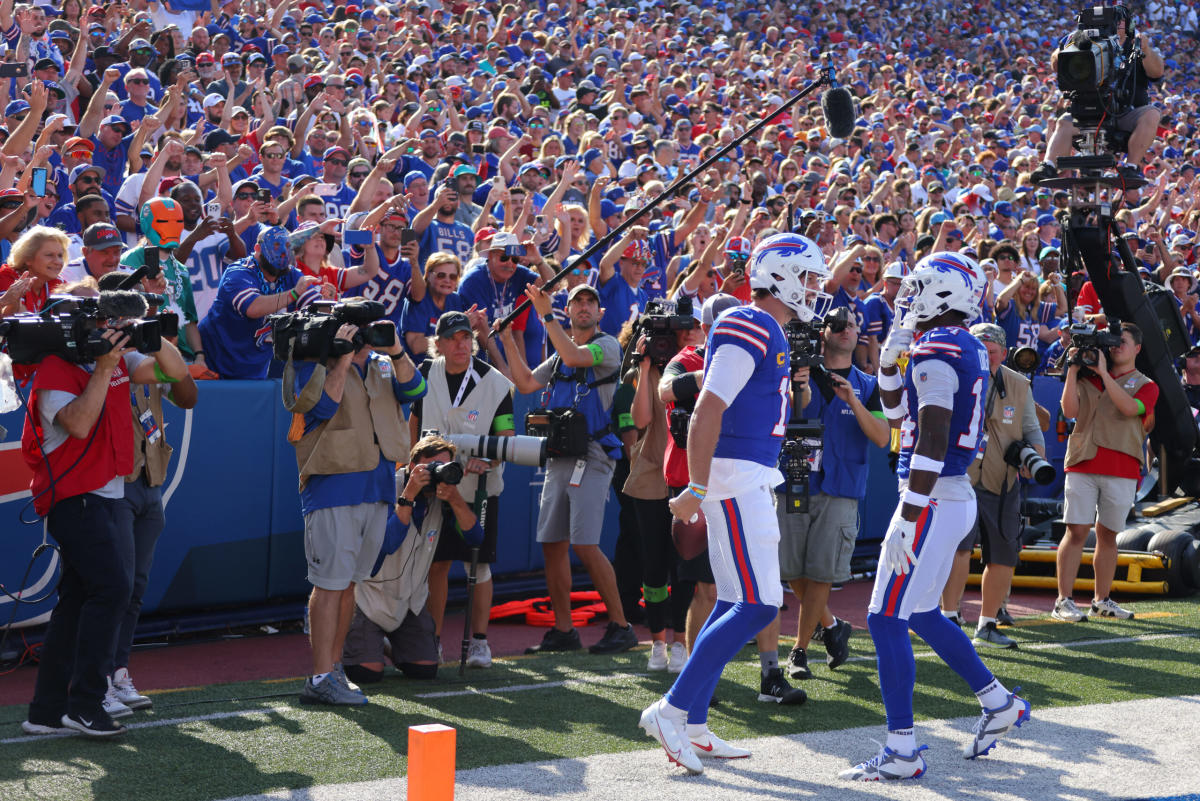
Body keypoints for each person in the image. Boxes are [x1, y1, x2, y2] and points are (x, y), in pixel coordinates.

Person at [638, 233, 828, 775]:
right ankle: (671, 710)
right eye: (809, 276)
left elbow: (715, 395)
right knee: (760, 604)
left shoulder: (768, 329)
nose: (814, 287)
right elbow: (707, 408)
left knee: (733, 599)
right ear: (783, 276)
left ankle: (693, 723)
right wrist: (696, 486)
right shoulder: (753, 321)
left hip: (744, 473)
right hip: (736, 475)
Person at [841, 252, 1030, 781]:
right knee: (921, 614)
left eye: (917, 288)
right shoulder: (957, 343)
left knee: (884, 618)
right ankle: (998, 703)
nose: (906, 298)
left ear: (938, 294)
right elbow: (898, 414)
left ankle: (902, 749)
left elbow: (932, 436)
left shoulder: (940, 348)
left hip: (933, 496)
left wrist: (907, 511)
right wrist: (888, 361)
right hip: (948, 495)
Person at [20, 289, 189, 738]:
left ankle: (46, 710)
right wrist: (105, 366)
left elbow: (175, 372)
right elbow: (78, 423)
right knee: (112, 589)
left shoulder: (115, 360)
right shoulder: (56, 369)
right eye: (108, 326)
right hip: (76, 497)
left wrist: (148, 331)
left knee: (76, 601)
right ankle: (86, 703)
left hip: (107, 495)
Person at [286, 298, 426, 705]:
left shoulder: (384, 363)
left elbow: (418, 389)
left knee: (350, 584)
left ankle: (334, 669)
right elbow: (319, 407)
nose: (367, 337)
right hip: (333, 485)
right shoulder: (311, 360)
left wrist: (396, 349)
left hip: (377, 485)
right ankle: (319, 677)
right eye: (360, 329)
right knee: (329, 584)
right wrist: (341, 359)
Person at [497, 282, 638, 656]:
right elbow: (525, 382)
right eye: (578, 302)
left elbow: (577, 357)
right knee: (551, 544)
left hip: (591, 454)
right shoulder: (560, 354)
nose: (585, 307)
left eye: (591, 302)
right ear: (570, 309)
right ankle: (563, 630)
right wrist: (506, 339)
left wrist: (545, 315)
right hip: (560, 454)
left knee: (585, 543)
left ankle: (621, 626)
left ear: (600, 312)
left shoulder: (605, 346)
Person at [97, 274, 200, 718]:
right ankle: (96, 676)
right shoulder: (101, 355)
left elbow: (189, 394)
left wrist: (157, 338)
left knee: (135, 587)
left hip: (149, 480)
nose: (137, 324)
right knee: (111, 586)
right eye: (131, 318)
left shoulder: (152, 350)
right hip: (112, 481)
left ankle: (119, 671)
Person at [782, 307, 890, 681]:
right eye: (838, 324)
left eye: (853, 325)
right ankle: (830, 624)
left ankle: (798, 650)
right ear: (823, 331)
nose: (846, 330)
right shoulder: (798, 371)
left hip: (842, 484)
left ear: (860, 333)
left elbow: (881, 437)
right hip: (794, 479)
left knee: (822, 571)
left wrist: (853, 402)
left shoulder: (867, 383)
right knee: (789, 568)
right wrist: (800, 386)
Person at [407, 311, 515, 669]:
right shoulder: (424, 374)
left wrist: (489, 461)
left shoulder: (496, 383)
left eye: (466, 337)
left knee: (479, 565)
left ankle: (480, 642)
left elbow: (507, 440)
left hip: (479, 488)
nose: (461, 344)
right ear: (438, 344)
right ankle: (433, 642)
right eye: (452, 338)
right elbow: (413, 422)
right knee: (436, 565)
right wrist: (412, 465)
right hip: (432, 489)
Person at [341, 435, 484, 684]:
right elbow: (386, 544)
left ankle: (385, 644)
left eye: (443, 467)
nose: (436, 474)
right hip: (368, 597)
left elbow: (475, 539)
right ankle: (354, 639)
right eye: (430, 468)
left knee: (424, 671)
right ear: (411, 465)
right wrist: (409, 493)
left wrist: (455, 500)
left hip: (411, 601)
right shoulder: (389, 486)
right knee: (366, 674)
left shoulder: (444, 497)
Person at [940, 324, 1046, 650]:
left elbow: (1031, 428)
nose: (987, 354)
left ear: (1004, 352)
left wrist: (1036, 459)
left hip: (1003, 480)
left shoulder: (1017, 383)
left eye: (993, 349)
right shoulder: (953, 376)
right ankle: (949, 618)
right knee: (958, 549)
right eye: (981, 347)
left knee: (1003, 554)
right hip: (960, 477)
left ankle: (987, 624)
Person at [1054, 322, 1158, 622]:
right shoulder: (1087, 375)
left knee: (1108, 535)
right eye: (1112, 341)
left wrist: (1102, 373)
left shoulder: (1146, 384)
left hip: (1122, 466)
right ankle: (1063, 600)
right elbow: (1070, 411)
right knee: (1075, 530)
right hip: (1083, 460)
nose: (1115, 346)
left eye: (1122, 341)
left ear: (1137, 348)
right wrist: (1073, 371)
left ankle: (1102, 600)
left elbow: (1129, 408)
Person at [1035, 4, 1163, 178]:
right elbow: (1055, 63)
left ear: (1128, 25)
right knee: (1064, 122)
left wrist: (1145, 49)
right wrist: (1071, 45)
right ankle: (1048, 165)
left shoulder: (1135, 45)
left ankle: (1130, 167)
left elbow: (1157, 72)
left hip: (1124, 112)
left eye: (1119, 21)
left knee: (1152, 113)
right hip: (1086, 111)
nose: (1114, 24)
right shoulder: (1082, 41)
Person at [197, 227, 332, 380]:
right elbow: (253, 308)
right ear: (258, 249)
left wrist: (326, 300)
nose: (281, 253)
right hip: (215, 361)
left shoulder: (291, 274)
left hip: (255, 365)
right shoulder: (238, 272)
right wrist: (294, 293)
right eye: (275, 246)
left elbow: (317, 308)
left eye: (287, 246)